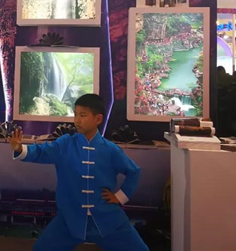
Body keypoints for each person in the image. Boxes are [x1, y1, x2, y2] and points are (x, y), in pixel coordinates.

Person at [9, 94, 149, 251]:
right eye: (75, 114)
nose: (77, 120)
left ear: (98, 119)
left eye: (83, 115)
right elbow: (42, 152)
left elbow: (134, 172)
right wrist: (20, 148)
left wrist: (119, 197)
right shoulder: (65, 144)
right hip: (69, 219)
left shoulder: (110, 150)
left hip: (107, 219)